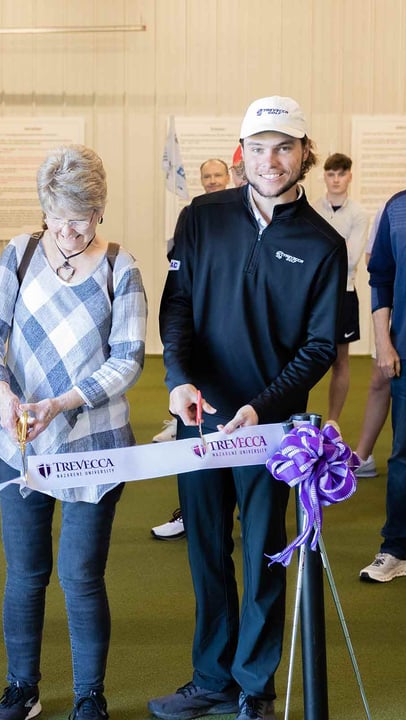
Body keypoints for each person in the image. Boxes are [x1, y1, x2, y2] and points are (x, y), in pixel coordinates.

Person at [150, 96, 344, 720]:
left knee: (263, 552)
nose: (269, 160)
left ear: (304, 154)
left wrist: (262, 409)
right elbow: (177, 306)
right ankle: (211, 677)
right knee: (206, 548)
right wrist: (179, 379)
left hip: (271, 431)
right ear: (242, 153)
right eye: (257, 148)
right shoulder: (201, 218)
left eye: (284, 147)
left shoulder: (323, 244)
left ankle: (254, 687)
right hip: (200, 419)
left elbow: (319, 347)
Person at [0, 145, 146, 720]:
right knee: (25, 574)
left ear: (100, 211)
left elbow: (128, 360)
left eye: (84, 218)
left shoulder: (122, 267)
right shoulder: (18, 254)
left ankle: (88, 696)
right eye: (59, 217)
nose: (70, 231)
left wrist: (64, 402)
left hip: (93, 443)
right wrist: (2, 392)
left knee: (80, 576)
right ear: (44, 208)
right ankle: (22, 687)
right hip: (20, 439)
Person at [151, 157, 232, 540]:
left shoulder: (245, 216)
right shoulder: (193, 215)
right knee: (199, 439)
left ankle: (247, 518)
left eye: (219, 175)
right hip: (200, 344)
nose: (213, 181)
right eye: (207, 177)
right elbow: (179, 277)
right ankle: (192, 515)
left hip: (245, 360)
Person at [358, 142, 406, 583]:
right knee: (404, 457)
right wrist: (383, 342)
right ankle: (396, 550)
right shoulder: (399, 210)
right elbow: (380, 276)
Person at [311, 153, 369, 426]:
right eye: (331, 174)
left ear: (350, 176)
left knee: (340, 359)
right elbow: (306, 257)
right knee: (303, 357)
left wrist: (323, 254)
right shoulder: (312, 210)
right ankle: (297, 418)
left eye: (341, 174)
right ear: (325, 176)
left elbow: (352, 258)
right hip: (312, 295)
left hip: (344, 293)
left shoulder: (358, 213)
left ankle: (333, 421)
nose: (336, 180)